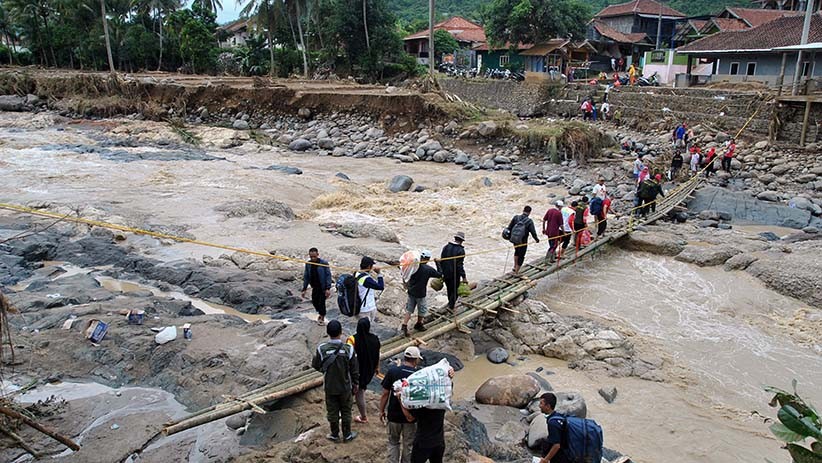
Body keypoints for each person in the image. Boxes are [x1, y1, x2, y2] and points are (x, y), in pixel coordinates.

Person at [312, 320, 359, 443]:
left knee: (332, 410)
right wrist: (356, 384)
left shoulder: (321, 349)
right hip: (345, 386)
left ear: (328, 333)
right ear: (341, 332)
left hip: (330, 386)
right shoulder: (348, 349)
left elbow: (316, 365)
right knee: (346, 410)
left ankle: (334, 434)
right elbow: (354, 370)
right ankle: (347, 434)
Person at [399, 364, 456, 463]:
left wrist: (400, 400)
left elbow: (409, 418)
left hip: (422, 443)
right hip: (439, 442)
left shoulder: (421, 407)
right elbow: (448, 387)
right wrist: (450, 374)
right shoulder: (441, 403)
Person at [380, 347, 423, 463]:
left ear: (405, 358)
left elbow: (385, 393)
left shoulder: (393, 371)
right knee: (408, 444)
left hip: (393, 415)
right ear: (416, 360)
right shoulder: (418, 375)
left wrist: (381, 410)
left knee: (393, 442)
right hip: (411, 417)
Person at [345, 317, 380, 424]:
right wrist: (377, 367)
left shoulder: (352, 340)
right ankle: (362, 416)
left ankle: (362, 417)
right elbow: (378, 354)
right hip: (368, 371)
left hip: (355, 372)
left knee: (355, 393)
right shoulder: (375, 339)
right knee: (361, 390)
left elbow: (348, 356)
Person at [402, 250, 441, 337]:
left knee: (409, 309)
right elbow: (439, 275)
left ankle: (404, 324)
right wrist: (438, 263)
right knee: (422, 310)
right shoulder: (428, 269)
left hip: (411, 291)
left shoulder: (412, 267)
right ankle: (419, 324)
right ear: (428, 259)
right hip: (420, 293)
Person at [437, 232, 467, 322]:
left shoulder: (446, 247)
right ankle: (451, 307)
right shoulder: (460, 251)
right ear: (461, 241)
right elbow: (459, 266)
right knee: (455, 290)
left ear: (455, 238)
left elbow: (442, 260)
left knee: (449, 289)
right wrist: (464, 277)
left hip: (445, 273)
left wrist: (441, 272)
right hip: (454, 274)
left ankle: (450, 304)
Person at [301, 247, 333, 326]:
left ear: (318, 255)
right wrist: (304, 288)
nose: (313, 258)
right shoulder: (308, 264)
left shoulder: (323, 263)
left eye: (314, 256)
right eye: (311, 257)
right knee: (314, 301)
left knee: (321, 302)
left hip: (323, 287)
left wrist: (328, 288)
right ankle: (321, 313)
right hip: (314, 287)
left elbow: (328, 275)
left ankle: (321, 317)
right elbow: (306, 276)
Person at [507, 206, 540, 274]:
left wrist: (510, 237)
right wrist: (536, 239)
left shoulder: (516, 217)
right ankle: (516, 271)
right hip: (523, 241)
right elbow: (533, 232)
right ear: (529, 212)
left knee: (516, 251)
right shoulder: (529, 221)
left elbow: (509, 227)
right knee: (521, 255)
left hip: (515, 239)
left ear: (523, 210)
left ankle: (515, 266)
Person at [538, 393, 569, 463]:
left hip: (563, 457)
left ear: (548, 406)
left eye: (541, 403)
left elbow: (556, 445)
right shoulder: (557, 415)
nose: (539, 406)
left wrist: (546, 460)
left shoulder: (553, 423)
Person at [356, 256, 384, 323]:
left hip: (359, 306)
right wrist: (379, 274)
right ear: (369, 267)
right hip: (366, 308)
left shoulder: (356, 273)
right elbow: (380, 287)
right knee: (366, 328)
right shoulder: (366, 279)